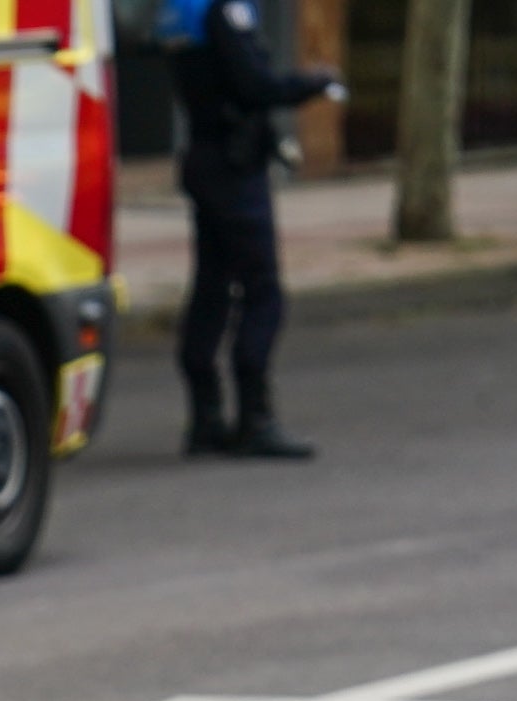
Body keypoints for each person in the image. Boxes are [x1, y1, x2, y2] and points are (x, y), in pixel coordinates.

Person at [163, 0, 340, 459]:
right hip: (234, 166)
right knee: (263, 292)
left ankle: (205, 418)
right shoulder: (224, 10)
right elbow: (254, 85)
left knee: (212, 289)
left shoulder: (181, 10)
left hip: (205, 158)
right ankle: (255, 419)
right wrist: (312, 83)